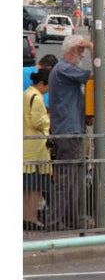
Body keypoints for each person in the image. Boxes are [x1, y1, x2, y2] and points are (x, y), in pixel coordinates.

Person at [47, 35, 94, 231]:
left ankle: (72, 219)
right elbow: (93, 74)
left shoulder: (61, 70)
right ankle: (56, 220)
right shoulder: (64, 69)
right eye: (80, 51)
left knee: (73, 180)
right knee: (67, 180)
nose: (82, 55)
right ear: (72, 50)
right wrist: (93, 48)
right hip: (68, 131)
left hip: (71, 129)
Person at [23, 66, 52, 230]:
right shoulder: (37, 97)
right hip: (36, 148)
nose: (48, 90)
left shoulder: (25, 94)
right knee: (34, 188)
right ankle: (31, 218)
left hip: (27, 147)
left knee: (26, 188)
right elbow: (38, 121)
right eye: (48, 86)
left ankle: (27, 217)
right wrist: (49, 118)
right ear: (42, 83)